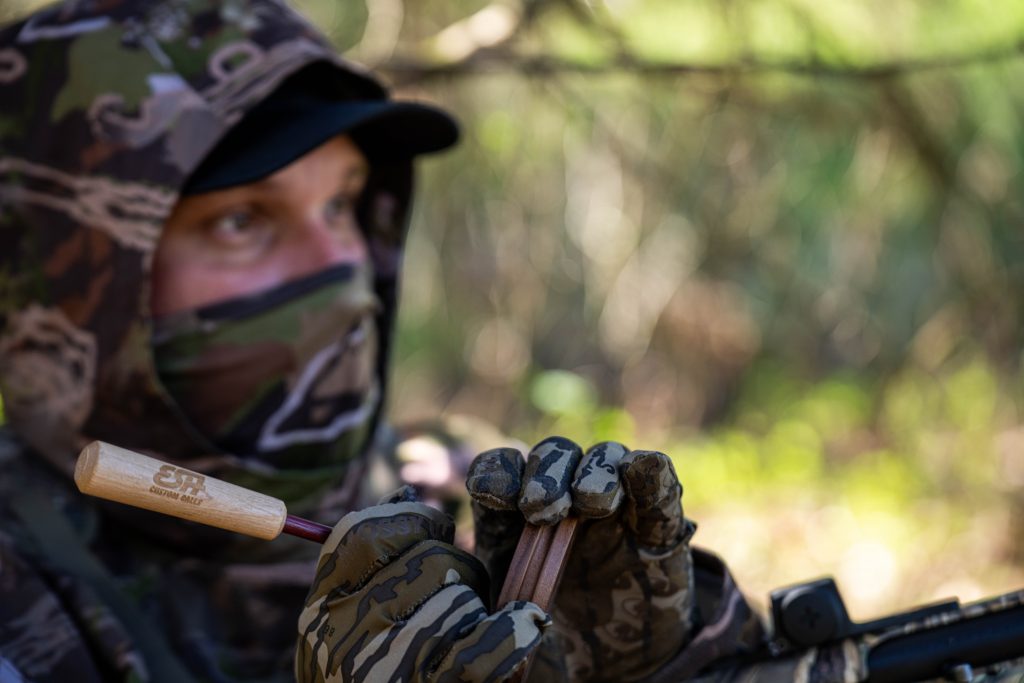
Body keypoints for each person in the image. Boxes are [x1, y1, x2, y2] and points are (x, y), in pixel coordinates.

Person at [0, 1, 1018, 682]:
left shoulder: (444, 500)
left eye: (349, 203)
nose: (340, 265)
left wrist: (662, 649)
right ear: (65, 273)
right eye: (243, 220)